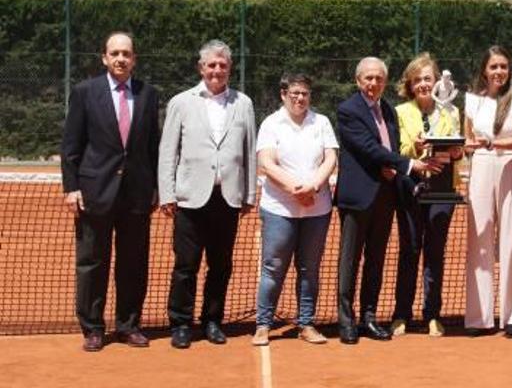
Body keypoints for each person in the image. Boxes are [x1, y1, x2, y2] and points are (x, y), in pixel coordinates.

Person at [61, 31, 160, 352]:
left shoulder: (148, 95)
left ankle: (128, 325)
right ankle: (92, 328)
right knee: (92, 263)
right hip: (94, 193)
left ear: (134, 59)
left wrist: (157, 187)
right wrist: (72, 188)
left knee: (133, 263)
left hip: (136, 195)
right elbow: (71, 147)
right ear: (104, 57)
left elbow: (152, 147)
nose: (121, 59)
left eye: (126, 54)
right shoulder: (84, 92)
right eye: (115, 53)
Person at [335, 57, 442, 345]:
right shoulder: (348, 110)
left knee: (376, 261)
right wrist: (408, 164)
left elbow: (389, 146)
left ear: (384, 82)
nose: (373, 83)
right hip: (358, 197)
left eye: (379, 78)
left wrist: (395, 165)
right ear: (358, 81)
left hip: (385, 196)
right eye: (368, 78)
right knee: (350, 261)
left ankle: (369, 317)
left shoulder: (387, 111)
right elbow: (368, 148)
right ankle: (346, 321)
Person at [158, 39, 257, 349]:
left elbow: (249, 151)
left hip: (227, 198)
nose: (217, 70)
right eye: (211, 65)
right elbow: (167, 151)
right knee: (186, 265)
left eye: (222, 65)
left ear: (229, 69)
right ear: (201, 68)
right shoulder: (181, 102)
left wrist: (249, 193)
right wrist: (167, 193)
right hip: (190, 198)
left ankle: (212, 320)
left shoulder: (244, 103)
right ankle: (181, 323)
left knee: (221, 264)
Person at [251, 74, 338, 346]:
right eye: (295, 93)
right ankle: (263, 325)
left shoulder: (321, 122)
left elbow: (331, 157)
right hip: (278, 208)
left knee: (309, 268)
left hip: (317, 209)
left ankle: (306, 324)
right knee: (273, 267)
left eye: (305, 94)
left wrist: (313, 187)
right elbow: (267, 162)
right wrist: (297, 190)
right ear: (283, 94)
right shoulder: (270, 124)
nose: (300, 98)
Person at [390, 53, 462, 338]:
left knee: (435, 252)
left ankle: (432, 314)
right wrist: (417, 148)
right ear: (409, 83)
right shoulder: (398, 112)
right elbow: (397, 150)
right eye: (417, 79)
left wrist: (456, 152)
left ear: (436, 83)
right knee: (409, 251)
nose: (423, 84)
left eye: (427, 79)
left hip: (443, 191)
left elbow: (458, 149)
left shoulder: (452, 112)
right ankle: (401, 314)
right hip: (410, 189)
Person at [464, 45, 512, 338]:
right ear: (484, 70)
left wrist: (490, 144)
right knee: (479, 241)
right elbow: (467, 142)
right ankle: (479, 317)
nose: (499, 72)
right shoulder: (471, 101)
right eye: (493, 67)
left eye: (503, 66)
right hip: (480, 168)